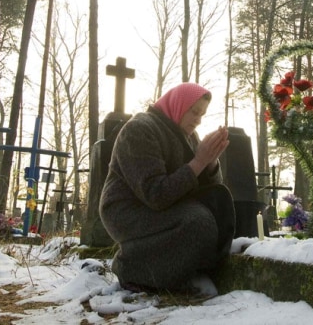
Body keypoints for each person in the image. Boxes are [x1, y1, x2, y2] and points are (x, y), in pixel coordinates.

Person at [100, 83, 235, 292]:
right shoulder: (140, 129)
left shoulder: (189, 136)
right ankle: (132, 270)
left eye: (202, 114)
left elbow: (209, 190)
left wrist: (210, 162)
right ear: (179, 104)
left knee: (218, 210)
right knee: (198, 221)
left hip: (166, 206)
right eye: (194, 111)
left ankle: (193, 272)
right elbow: (155, 194)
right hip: (127, 211)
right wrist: (198, 162)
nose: (198, 120)